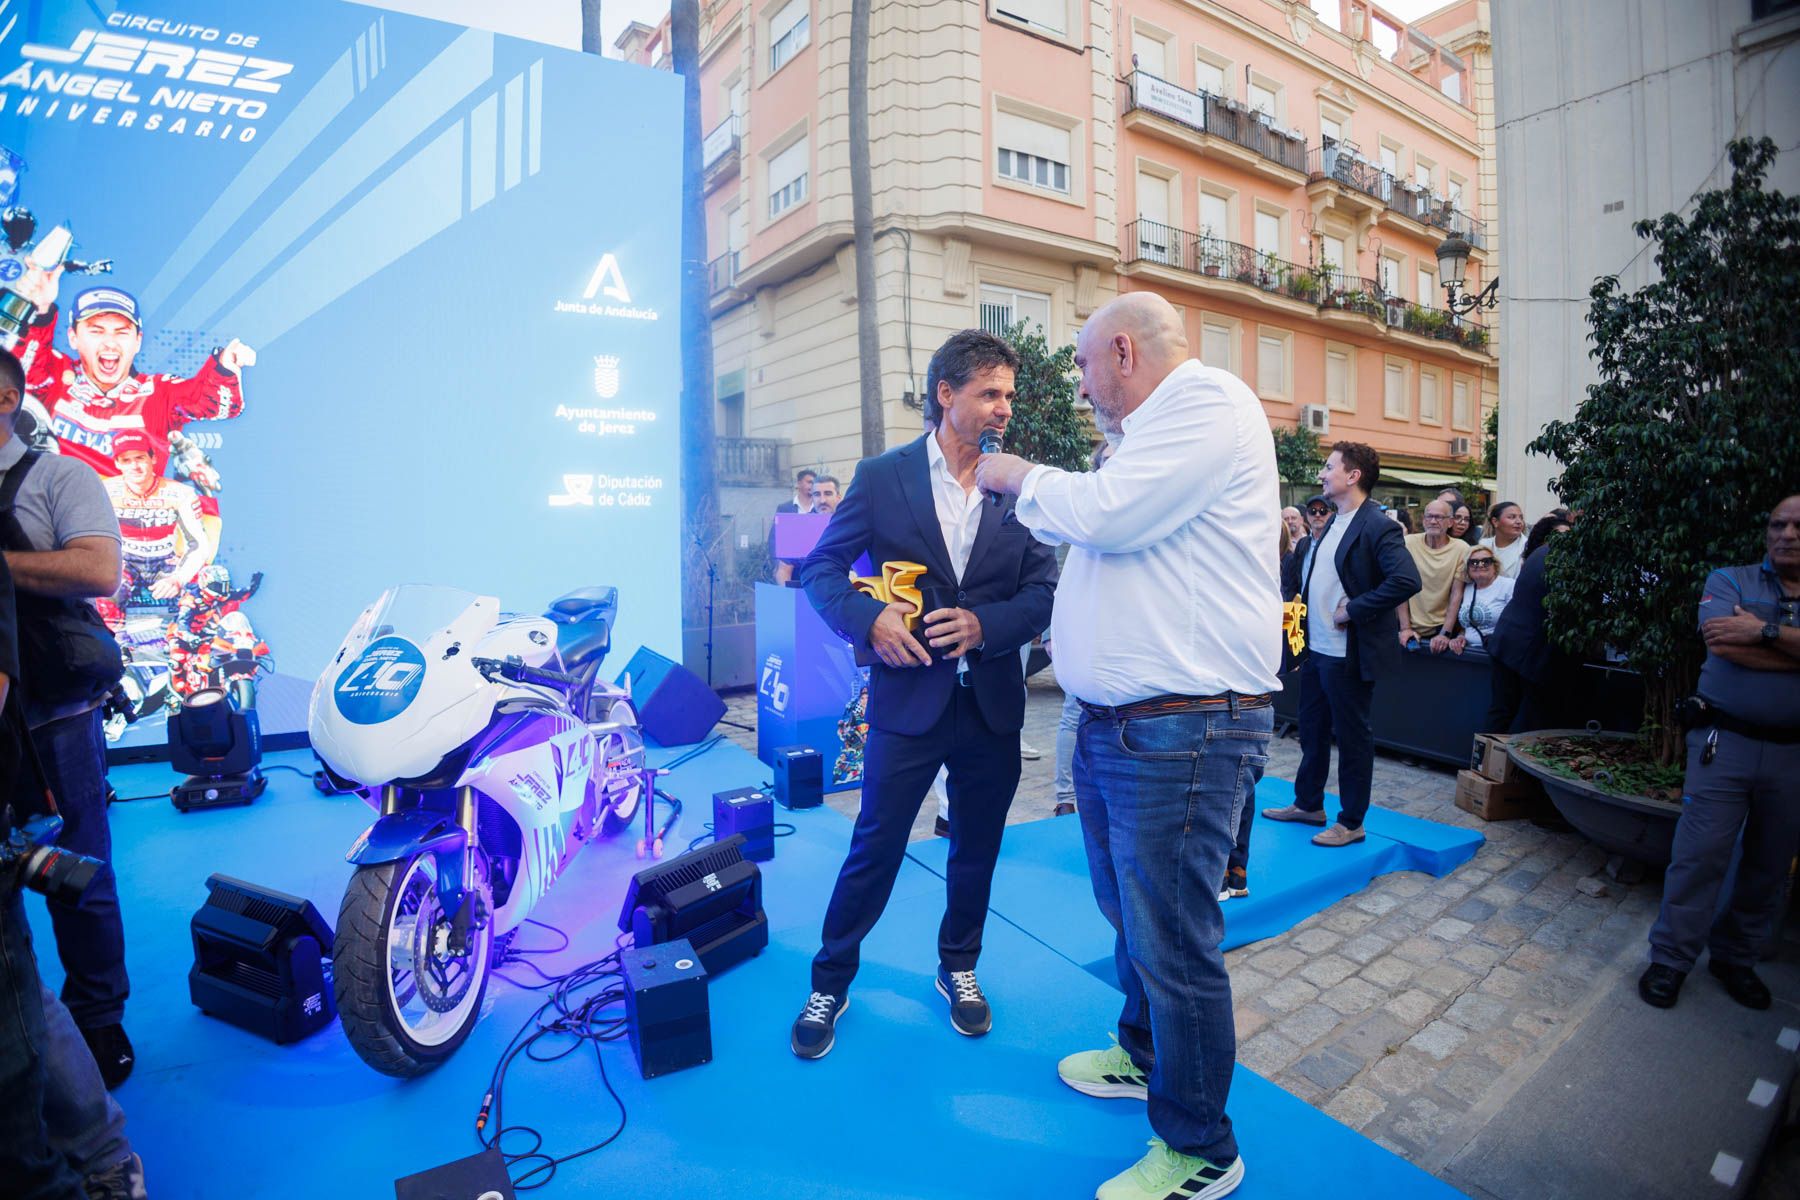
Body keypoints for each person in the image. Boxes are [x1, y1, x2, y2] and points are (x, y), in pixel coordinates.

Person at [976, 292, 1278, 1200]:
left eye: (1078, 365)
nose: (1077, 383)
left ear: (1120, 350)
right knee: (1131, 913)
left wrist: (1013, 475)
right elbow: (1109, 530)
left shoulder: (1205, 404)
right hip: (1132, 725)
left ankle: (1199, 1148)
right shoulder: (1148, 433)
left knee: (1175, 937)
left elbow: (1108, 516)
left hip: (1183, 728)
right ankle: (1146, 1055)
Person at [791, 329, 1056, 1059]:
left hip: (993, 705)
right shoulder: (882, 476)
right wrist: (868, 619)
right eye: (989, 393)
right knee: (875, 843)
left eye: (1009, 393)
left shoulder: (1018, 484)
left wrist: (985, 625)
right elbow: (820, 571)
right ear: (947, 394)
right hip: (908, 700)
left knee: (976, 847)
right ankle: (830, 979)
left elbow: (1042, 592)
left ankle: (960, 967)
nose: (1005, 406)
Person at [0, 348, 134, 1089]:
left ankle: (98, 1023)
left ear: (9, 397)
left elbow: (98, 570)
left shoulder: (61, 477)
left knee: (80, 874)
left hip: (53, 713)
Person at [1640, 495, 1800, 1011]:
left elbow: (1746, 640)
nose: (1788, 534)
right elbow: (1722, 642)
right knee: (1699, 855)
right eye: (1778, 524)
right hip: (1722, 743)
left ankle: (1735, 958)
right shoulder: (1730, 580)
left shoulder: (1754, 606)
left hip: (1791, 755)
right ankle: (1670, 959)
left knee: (1770, 864)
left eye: (1798, 526)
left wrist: (1763, 630)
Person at [1265, 442, 1421, 848]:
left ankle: (1352, 822)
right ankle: (1308, 804)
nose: (1322, 472)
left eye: (1329, 466)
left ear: (1353, 476)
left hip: (1348, 654)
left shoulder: (1377, 524)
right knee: (1311, 730)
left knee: (1353, 739)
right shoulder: (1334, 521)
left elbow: (1405, 580)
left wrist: (1355, 609)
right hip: (1317, 650)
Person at [13, 277, 253, 481]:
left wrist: (224, 369)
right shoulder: (56, 372)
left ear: (137, 341)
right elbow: (22, 373)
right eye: (96, 331)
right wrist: (40, 311)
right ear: (73, 337)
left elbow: (211, 404)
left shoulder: (158, 393)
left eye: (121, 332)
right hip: (40, 508)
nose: (109, 342)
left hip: (117, 526)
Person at [94, 431, 214, 632]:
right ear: (118, 464)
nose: (135, 466)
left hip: (164, 561)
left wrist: (178, 578)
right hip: (124, 561)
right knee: (105, 588)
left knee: (205, 583)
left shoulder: (180, 493)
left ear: (153, 459)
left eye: (140, 458)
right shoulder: (103, 490)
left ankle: (186, 646)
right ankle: (114, 643)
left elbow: (199, 544)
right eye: (127, 460)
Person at [1482, 515, 1573, 734]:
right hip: (1530, 648)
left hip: (1507, 640)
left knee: (1501, 711)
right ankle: (1511, 767)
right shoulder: (1561, 558)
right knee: (1531, 717)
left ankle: (1485, 765)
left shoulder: (1539, 553)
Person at [1397, 499, 1472, 646]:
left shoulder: (1461, 548)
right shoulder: (1408, 543)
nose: (1433, 521)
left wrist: (1445, 633)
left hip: (1441, 627)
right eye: (1429, 516)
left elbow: (1457, 594)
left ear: (1450, 522)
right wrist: (1405, 628)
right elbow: (1400, 586)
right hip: (1408, 626)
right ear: (1423, 521)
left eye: (1439, 517)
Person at [1434, 545, 1513, 653]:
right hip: (1470, 652)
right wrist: (1461, 637)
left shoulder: (1509, 586)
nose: (1480, 565)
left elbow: (1517, 623)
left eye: (1486, 561)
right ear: (1467, 568)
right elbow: (1468, 626)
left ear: (1495, 565)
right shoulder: (1468, 588)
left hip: (1498, 653)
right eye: (1474, 562)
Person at [771, 469, 818, 586]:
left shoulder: (819, 509)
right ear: (799, 483)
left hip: (813, 566)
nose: (812, 486)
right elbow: (774, 538)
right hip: (788, 567)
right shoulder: (784, 508)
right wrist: (776, 564)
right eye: (809, 482)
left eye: (814, 483)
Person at [1479, 501, 1527, 578]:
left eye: (1521, 517)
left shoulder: (1528, 547)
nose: (1519, 522)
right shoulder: (1483, 546)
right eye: (1511, 517)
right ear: (1495, 522)